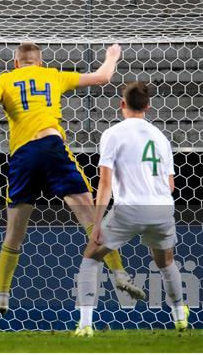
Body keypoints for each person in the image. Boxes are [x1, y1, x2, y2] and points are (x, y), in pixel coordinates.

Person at [0, 42, 144, 320]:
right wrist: (112, 56)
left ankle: (1, 297)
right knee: (91, 219)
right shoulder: (53, 75)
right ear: (40, 61)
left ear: (16, 63)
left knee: (14, 234)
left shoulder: (5, 79)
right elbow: (102, 78)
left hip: (23, 157)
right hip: (52, 147)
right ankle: (119, 274)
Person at [74, 82, 189, 337]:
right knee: (166, 262)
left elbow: (105, 183)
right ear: (148, 107)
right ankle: (180, 315)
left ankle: (84, 326)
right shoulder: (161, 138)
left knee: (91, 256)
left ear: (122, 104)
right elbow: (170, 184)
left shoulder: (113, 134)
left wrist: (97, 223)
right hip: (161, 208)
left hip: (130, 209)